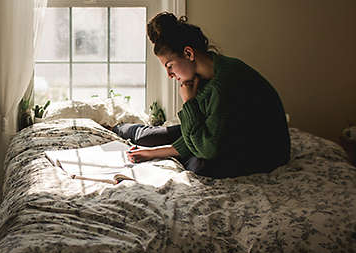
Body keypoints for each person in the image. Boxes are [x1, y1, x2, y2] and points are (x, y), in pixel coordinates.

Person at [114, 12, 290, 178]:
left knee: (200, 165)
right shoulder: (203, 76)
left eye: (170, 66)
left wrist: (189, 102)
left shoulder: (224, 83)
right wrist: (151, 153)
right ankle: (113, 127)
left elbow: (206, 148)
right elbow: (194, 134)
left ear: (188, 53)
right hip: (221, 136)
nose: (169, 75)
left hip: (261, 153)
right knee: (149, 138)